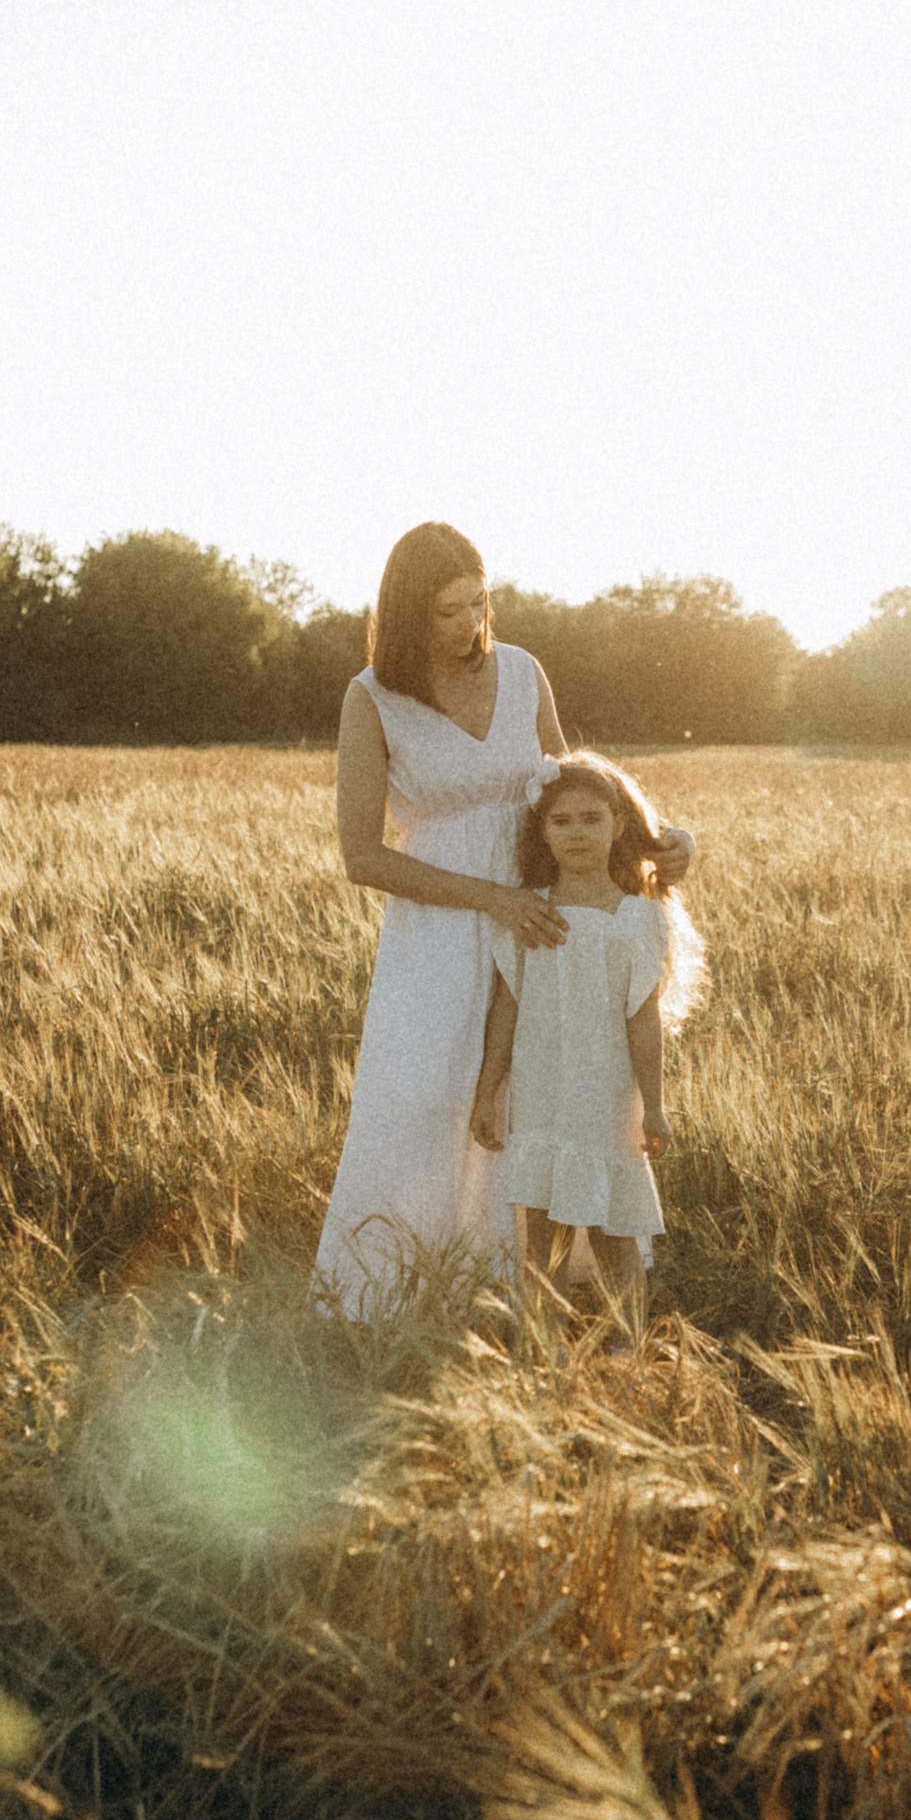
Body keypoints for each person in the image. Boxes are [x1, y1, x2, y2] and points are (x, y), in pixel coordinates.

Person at [314, 523, 691, 1318]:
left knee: (543, 1087)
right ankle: (406, 1283)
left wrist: (656, 841)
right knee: (430, 1097)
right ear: (407, 614)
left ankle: (525, 1288)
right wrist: (491, 900)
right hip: (442, 931)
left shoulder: (522, 672)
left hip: (544, 919)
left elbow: (576, 786)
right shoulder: (371, 698)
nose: (470, 626)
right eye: (446, 613)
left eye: (478, 604)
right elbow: (360, 855)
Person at [468, 753, 707, 1342]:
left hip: (605, 1092)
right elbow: (506, 1009)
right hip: (540, 1089)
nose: (576, 833)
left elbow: (643, 1022)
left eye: (591, 819)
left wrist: (653, 1106)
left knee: (614, 1231)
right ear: (542, 833)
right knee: (540, 1230)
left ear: (618, 825)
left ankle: (629, 1350)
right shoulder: (528, 913)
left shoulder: (636, 919)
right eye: (561, 822)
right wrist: (487, 1091)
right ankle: (541, 1350)